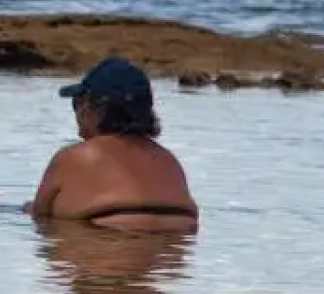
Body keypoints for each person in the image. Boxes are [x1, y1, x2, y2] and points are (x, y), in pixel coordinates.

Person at [25, 57, 200, 231]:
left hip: (103, 241)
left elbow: (40, 218)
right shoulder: (170, 161)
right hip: (175, 246)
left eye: (76, 103)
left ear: (91, 107)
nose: (77, 114)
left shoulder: (74, 157)